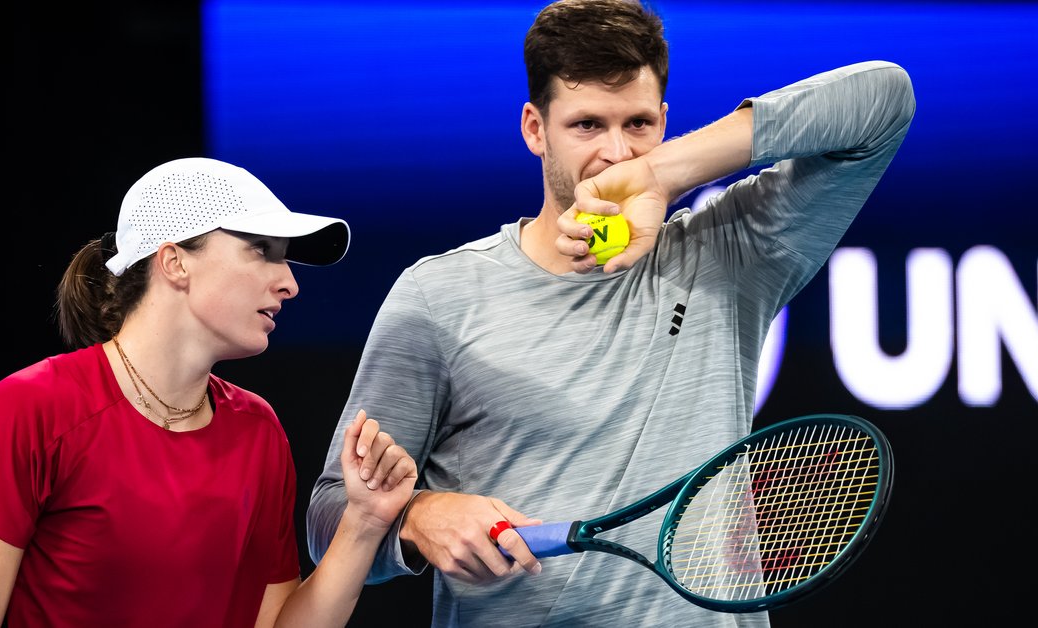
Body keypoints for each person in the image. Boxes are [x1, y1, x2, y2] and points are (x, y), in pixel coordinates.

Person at [306, 0, 916, 626]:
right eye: (587, 125)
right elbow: (329, 524)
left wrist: (663, 174)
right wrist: (419, 516)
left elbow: (885, 100)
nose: (616, 153)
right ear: (534, 128)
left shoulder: (731, 253)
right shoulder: (440, 296)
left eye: (639, 125)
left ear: (665, 123)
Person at [0, 157, 419, 627]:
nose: (289, 282)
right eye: (261, 250)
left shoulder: (259, 430)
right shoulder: (28, 410)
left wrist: (363, 522)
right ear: (174, 263)